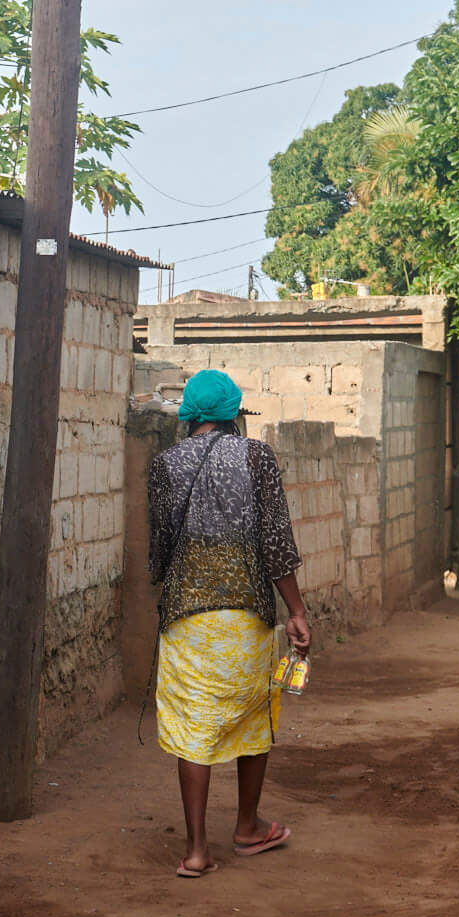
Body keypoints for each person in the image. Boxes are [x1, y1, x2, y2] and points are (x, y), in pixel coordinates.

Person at [145, 369, 312, 878]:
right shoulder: (256, 456)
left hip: (186, 618)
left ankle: (196, 850)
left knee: (195, 725)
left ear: (190, 416)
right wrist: (297, 611)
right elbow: (276, 542)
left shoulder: (164, 465)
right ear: (234, 413)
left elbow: (158, 555)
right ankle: (246, 826)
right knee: (252, 715)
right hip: (244, 616)